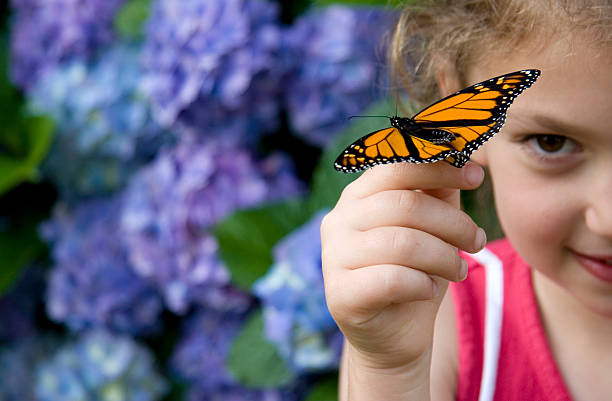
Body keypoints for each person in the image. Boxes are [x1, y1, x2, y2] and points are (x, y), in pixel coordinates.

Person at [320, 1, 612, 400]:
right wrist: (390, 369)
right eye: (552, 143)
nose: (607, 220)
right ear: (451, 90)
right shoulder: (440, 319)